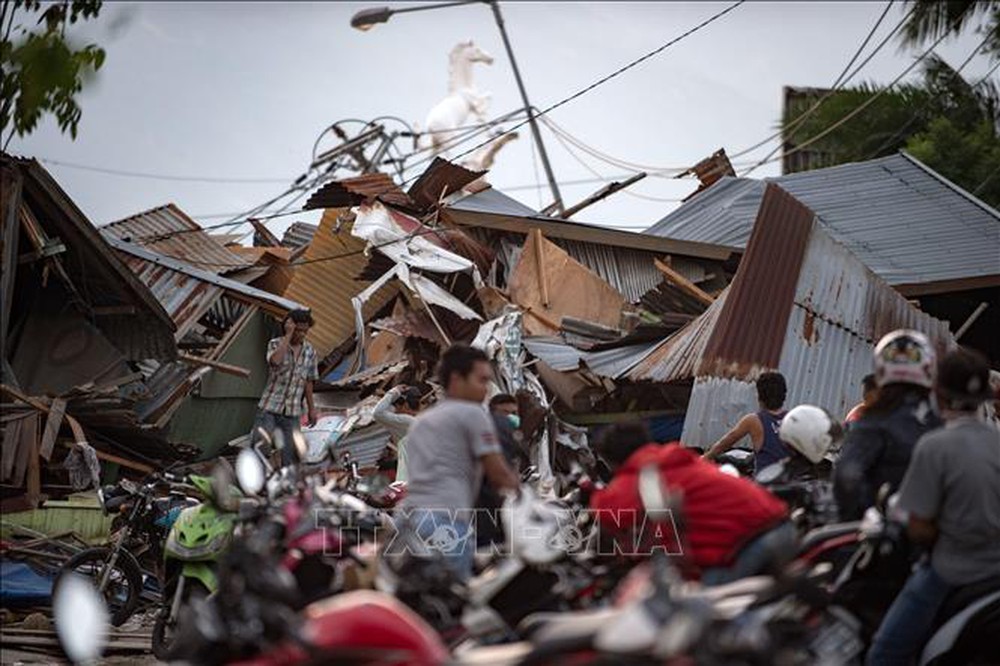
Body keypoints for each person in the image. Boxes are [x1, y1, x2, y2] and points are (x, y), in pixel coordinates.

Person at [867, 348, 1000, 666]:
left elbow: (919, 528)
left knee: (884, 655)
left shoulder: (934, 446)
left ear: (938, 394)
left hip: (951, 571)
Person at [592, 423, 793, 586]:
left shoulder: (640, 474)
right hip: (783, 528)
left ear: (613, 462)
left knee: (684, 608)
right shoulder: (677, 458)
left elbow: (606, 511)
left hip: (750, 547)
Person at [398, 344, 520, 581]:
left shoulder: (422, 422)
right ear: (456, 379)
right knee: (453, 603)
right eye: (481, 381)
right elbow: (499, 475)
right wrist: (528, 497)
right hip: (448, 521)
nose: (486, 390)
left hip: (409, 521)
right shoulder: (474, 414)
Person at [834, 330, 942, 521]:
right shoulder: (940, 421)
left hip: (882, 536)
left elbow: (847, 476)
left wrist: (865, 516)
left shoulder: (872, 420)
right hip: (938, 535)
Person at [253, 310, 318, 467]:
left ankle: (285, 486)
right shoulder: (276, 344)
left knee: (291, 453)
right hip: (270, 407)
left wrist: (311, 409)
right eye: (298, 330)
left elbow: (309, 381)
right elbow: (275, 361)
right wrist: (288, 336)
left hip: (292, 412)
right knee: (261, 446)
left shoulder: (310, 352)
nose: (301, 334)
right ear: (289, 327)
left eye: (305, 331)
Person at [702, 372, 790, 474]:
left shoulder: (753, 420)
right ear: (783, 395)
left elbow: (724, 443)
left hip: (766, 484)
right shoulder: (792, 419)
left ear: (759, 396)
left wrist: (704, 458)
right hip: (791, 482)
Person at [476, 394, 523, 547]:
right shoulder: (489, 432)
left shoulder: (512, 436)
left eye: (514, 413)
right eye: (505, 413)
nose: (510, 417)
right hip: (484, 514)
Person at [372, 385, 423, 483]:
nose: (394, 410)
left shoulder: (406, 421)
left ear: (406, 405)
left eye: (396, 407)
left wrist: (394, 392)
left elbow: (377, 413)